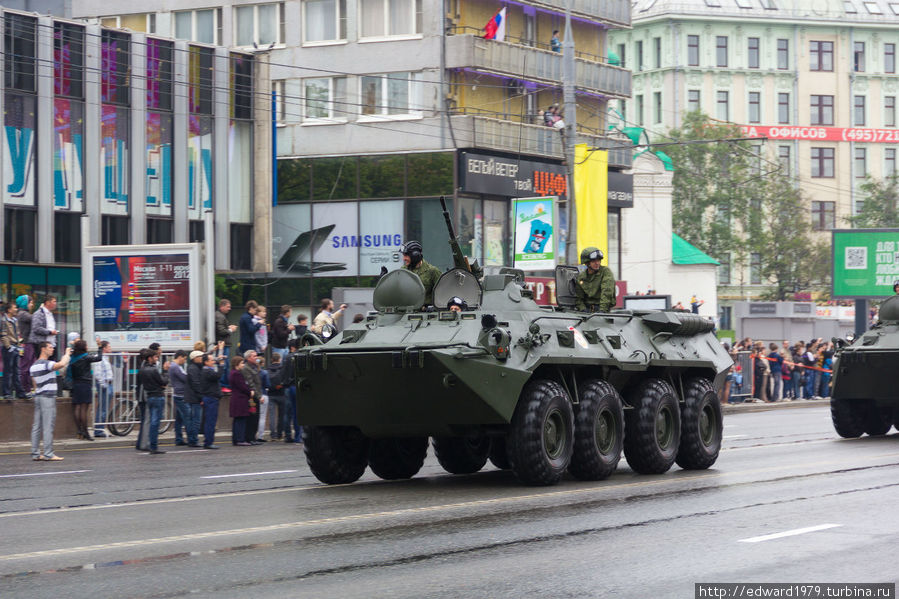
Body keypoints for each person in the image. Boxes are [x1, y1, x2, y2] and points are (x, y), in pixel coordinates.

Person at [30, 342, 72, 461]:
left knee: (36, 426)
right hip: (48, 397)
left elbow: (34, 384)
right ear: (43, 349)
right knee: (48, 425)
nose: (52, 349)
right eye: (50, 347)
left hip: (38, 396)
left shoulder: (33, 366)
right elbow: (62, 364)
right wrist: (67, 353)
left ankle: (35, 453)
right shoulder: (46, 364)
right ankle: (48, 453)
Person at [66, 339, 102, 440]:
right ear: (84, 347)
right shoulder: (86, 357)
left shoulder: (73, 357)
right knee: (84, 409)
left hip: (76, 384)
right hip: (85, 384)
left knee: (77, 407)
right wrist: (99, 347)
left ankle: (79, 431)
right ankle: (86, 432)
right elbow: (99, 358)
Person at [137, 348, 169, 454]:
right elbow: (163, 381)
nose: (157, 358)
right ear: (150, 358)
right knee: (155, 422)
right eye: (155, 357)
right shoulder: (154, 370)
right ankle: (153, 446)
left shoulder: (141, 370)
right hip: (157, 396)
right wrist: (165, 371)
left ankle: (151, 444)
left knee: (151, 421)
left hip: (149, 396)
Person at [400, 240, 442, 307]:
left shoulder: (432, 271)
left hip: (426, 312)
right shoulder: (403, 271)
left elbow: (442, 292)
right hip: (407, 310)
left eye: (406, 256)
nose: (404, 259)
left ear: (415, 256)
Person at [574, 247, 615, 312]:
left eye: (598, 260)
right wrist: (583, 309)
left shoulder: (605, 272)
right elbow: (578, 298)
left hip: (601, 310)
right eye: (594, 261)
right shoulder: (581, 277)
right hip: (586, 311)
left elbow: (607, 292)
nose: (597, 263)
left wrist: (602, 310)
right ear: (587, 263)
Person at [197, 351, 223, 449]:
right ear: (206, 362)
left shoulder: (207, 370)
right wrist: (221, 365)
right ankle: (208, 442)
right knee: (210, 421)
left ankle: (209, 441)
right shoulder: (207, 371)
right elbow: (218, 376)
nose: (213, 362)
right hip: (210, 398)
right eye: (211, 360)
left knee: (211, 420)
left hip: (211, 398)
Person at [1, 301, 25, 400]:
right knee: (8, 371)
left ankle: (20, 393)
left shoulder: (15, 320)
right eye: (14, 308)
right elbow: (3, 334)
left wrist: (20, 345)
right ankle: (7, 393)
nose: (16, 309)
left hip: (16, 347)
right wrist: (8, 347)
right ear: (9, 310)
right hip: (9, 348)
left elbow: (17, 334)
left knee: (16, 371)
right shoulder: (3, 320)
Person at [241, 350, 265, 444]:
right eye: (254, 356)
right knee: (252, 418)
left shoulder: (255, 367)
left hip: (257, 394)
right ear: (248, 358)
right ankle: (250, 438)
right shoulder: (246, 368)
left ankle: (253, 437)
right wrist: (258, 396)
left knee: (256, 418)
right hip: (252, 397)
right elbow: (251, 384)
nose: (256, 358)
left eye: (256, 356)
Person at [228, 356, 253, 446]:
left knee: (237, 420)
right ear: (236, 364)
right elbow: (242, 386)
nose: (243, 365)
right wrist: (250, 392)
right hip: (240, 399)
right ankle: (240, 439)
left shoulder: (232, 373)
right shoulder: (237, 374)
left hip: (236, 399)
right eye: (242, 363)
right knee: (241, 420)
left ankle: (236, 439)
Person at [91, 340, 114, 437]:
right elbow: (97, 373)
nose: (110, 348)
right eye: (109, 347)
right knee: (102, 408)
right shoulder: (99, 358)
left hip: (108, 384)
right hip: (104, 385)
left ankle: (101, 428)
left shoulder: (106, 358)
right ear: (104, 348)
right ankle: (98, 430)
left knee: (105, 408)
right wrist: (103, 385)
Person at [185, 350, 207, 447]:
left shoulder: (196, 367)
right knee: (195, 420)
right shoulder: (193, 368)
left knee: (193, 420)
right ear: (195, 358)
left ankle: (192, 439)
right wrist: (201, 396)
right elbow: (196, 383)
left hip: (193, 397)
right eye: (201, 357)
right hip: (194, 398)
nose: (202, 359)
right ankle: (193, 440)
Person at [168, 350, 190, 446]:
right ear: (180, 357)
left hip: (178, 394)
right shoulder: (175, 367)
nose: (184, 361)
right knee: (187, 416)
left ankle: (179, 438)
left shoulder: (174, 366)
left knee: (179, 419)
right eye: (184, 359)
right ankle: (191, 438)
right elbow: (185, 378)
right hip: (180, 394)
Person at [215, 299, 238, 388]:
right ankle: (224, 385)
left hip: (223, 344)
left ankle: (225, 385)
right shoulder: (220, 317)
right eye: (228, 307)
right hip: (223, 345)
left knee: (225, 365)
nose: (230, 309)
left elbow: (220, 329)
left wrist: (228, 328)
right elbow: (221, 331)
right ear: (222, 306)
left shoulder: (220, 316)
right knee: (224, 365)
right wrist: (230, 329)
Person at [29, 295, 59, 360]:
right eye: (54, 301)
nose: (55, 303)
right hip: (42, 344)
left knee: (52, 364)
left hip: (52, 343)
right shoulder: (39, 314)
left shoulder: (50, 314)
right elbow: (36, 328)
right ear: (48, 302)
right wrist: (50, 332)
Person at [266, 352, 288, 440]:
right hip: (281, 394)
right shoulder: (282, 369)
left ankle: (272, 434)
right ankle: (280, 434)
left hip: (271, 394)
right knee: (282, 415)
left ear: (272, 359)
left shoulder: (267, 369)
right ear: (279, 359)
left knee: (272, 415)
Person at [16, 295, 35, 395]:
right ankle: (25, 389)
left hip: (28, 343)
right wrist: (42, 310)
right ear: (25, 303)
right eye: (30, 303)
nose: (32, 305)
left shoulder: (23, 313)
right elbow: (35, 318)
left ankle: (27, 388)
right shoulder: (23, 314)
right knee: (25, 367)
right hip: (26, 344)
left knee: (28, 367)